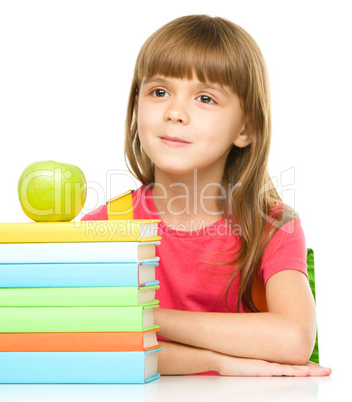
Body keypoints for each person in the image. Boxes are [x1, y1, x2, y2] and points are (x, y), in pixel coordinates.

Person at [82, 14, 332, 377]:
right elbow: (90, 343)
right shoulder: (106, 227)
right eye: (159, 92)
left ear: (246, 128)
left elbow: (294, 339)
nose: (175, 112)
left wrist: (145, 316)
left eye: (205, 98)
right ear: (136, 105)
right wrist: (219, 362)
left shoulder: (272, 226)